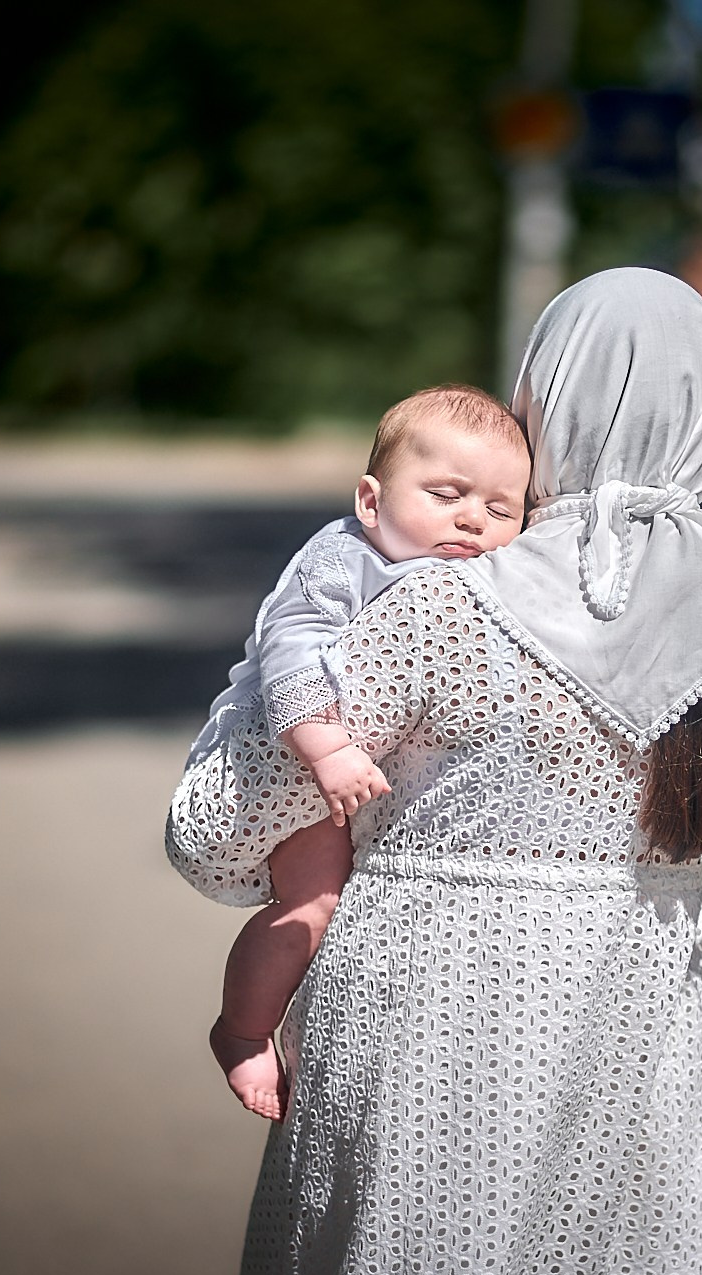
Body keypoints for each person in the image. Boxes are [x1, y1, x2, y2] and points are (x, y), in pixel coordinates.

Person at [166, 267, 702, 1275]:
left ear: (540, 396)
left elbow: (220, 829)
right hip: (632, 1043)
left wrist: (252, 682)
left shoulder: (439, 594)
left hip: (422, 1039)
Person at [195, 384, 531, 1120]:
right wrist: (328, 751)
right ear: (372, 501)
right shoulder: (344, 559)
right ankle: (244, 1031)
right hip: (293, 753)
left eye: (501, 510)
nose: (471, 518)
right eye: (446, 494)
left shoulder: (479, 573)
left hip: (369, 778)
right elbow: (288, 657)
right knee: (312, 906)